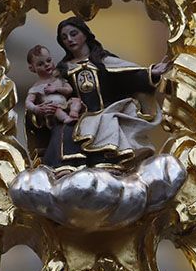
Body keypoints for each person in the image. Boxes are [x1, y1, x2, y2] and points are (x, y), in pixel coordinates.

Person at [27, 17, 168, 169]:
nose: (69, 39)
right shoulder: (63, 68)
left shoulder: (104, 61)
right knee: (65, 130)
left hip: (107, 111)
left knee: (107, 122)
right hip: (77, 114)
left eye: (73, 34)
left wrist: (151, 73)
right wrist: (41, 108)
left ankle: (108, 165)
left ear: (85, 34)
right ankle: (69, 168)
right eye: (64, 37)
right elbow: (49, 90)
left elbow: (128, 76)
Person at [24, 45, 84, 125]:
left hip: (65, 105)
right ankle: (66, 119)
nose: (46, 64)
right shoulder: (36, 87)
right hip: (51, 110)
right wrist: (36, 108)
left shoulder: (59, 79)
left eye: (48, 60)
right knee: (55, 109)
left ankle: (73, 113)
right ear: (32, 68)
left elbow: (69, 90)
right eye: (40, 64)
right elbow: (28, 102)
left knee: (76, 100)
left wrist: (56, 89)